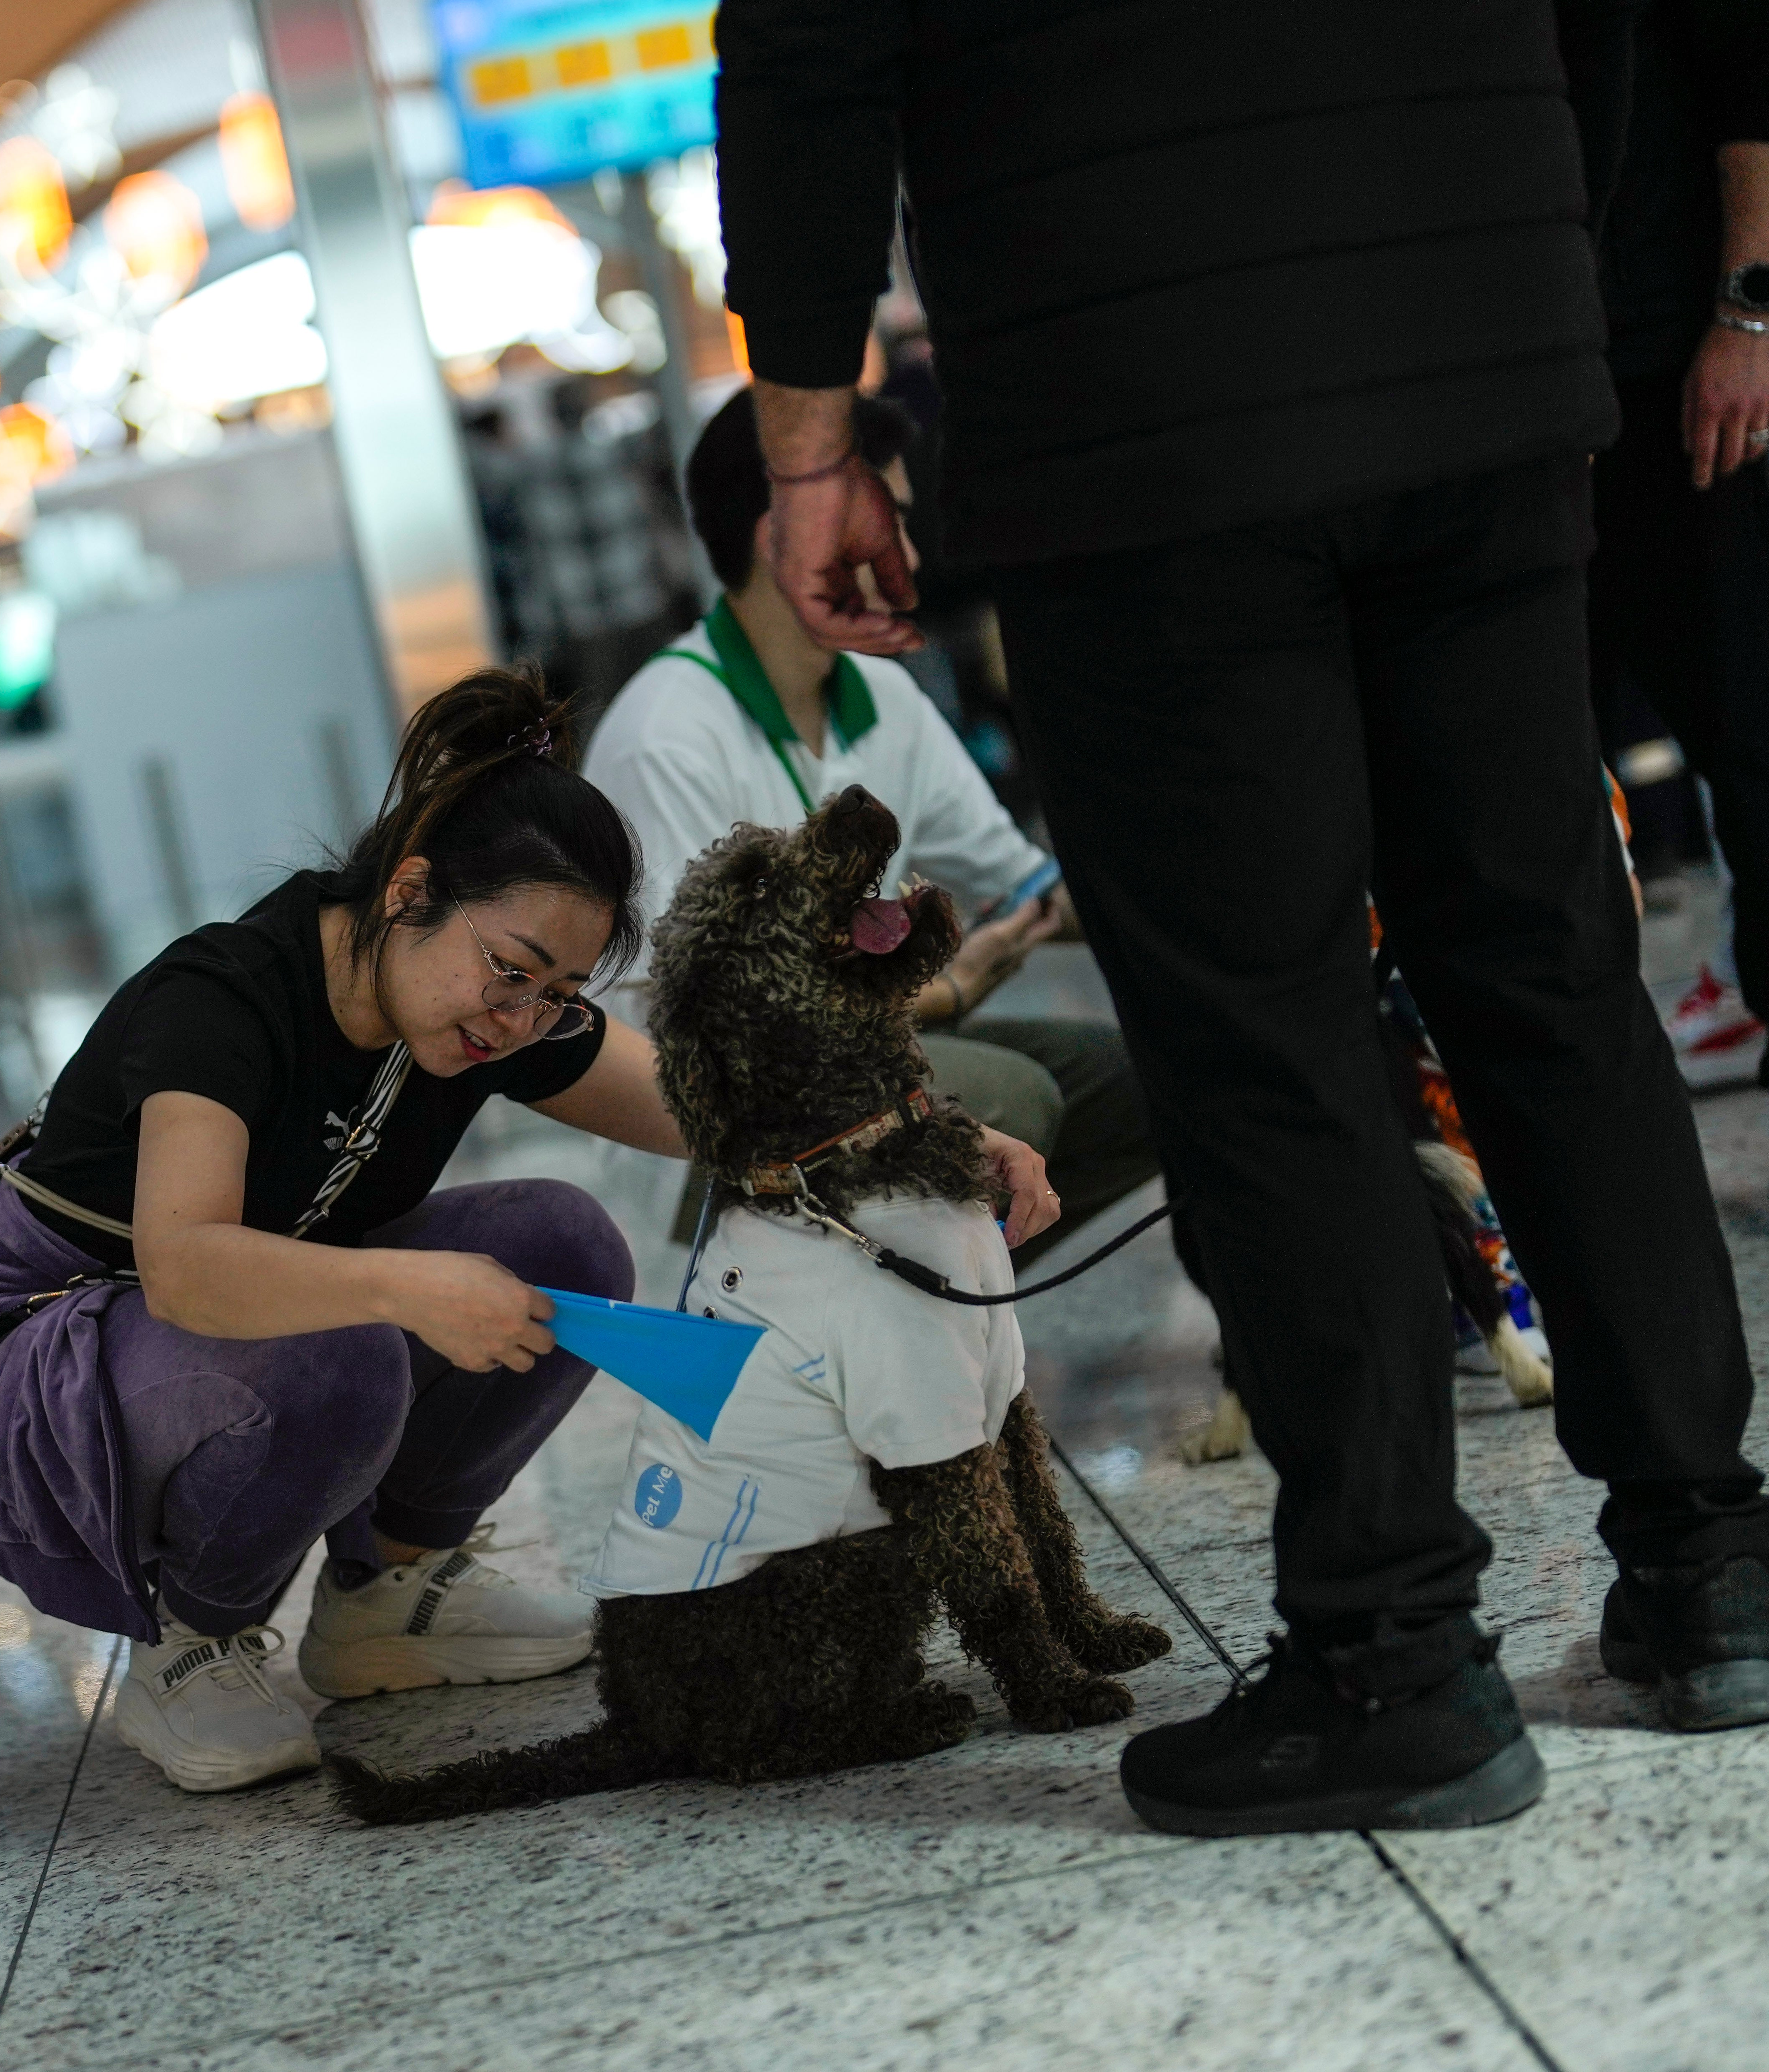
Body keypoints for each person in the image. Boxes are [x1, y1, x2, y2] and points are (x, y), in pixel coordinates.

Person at [715, 0, 1769, 1835]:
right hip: (1483, 343)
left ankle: (1383, 1652)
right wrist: (1519, 260)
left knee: (1258, 1021)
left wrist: (808, 443)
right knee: (1545, 961)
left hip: (1142, 409)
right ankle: (1711, 1559)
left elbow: (807, 57)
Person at [0, 666, 1062, 1793]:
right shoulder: (221, 998)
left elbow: (715, 1104)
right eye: (509, 972)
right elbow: (184, 1265)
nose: (518, 1020)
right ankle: (193, 1637)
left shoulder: (483, 1013)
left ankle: (388, 1595)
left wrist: (946, 1140)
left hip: (194, 1332)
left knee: (563, 1238)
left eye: (557, 995)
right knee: (350, 1334)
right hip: (36, 1351)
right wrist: (409, 1290)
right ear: (409, 891)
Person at [583, 388, 1157, 1263]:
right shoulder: (666, 734)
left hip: (858, 1056)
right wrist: (950, 991)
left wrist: (1210, 918)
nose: (912, 559)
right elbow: (714, 1026)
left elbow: (1026, 885)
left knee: (1142, 1083)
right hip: (712, 1119)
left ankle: (933, 1311)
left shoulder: (877, 694)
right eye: (885, 524)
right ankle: (837, 1313)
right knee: (1009, 1096)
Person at [1577, 0, 1769, 1088]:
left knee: (1749, 724)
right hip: (1538, 384)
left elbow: (1746, 61)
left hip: (1681, 360)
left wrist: (1746, 309)